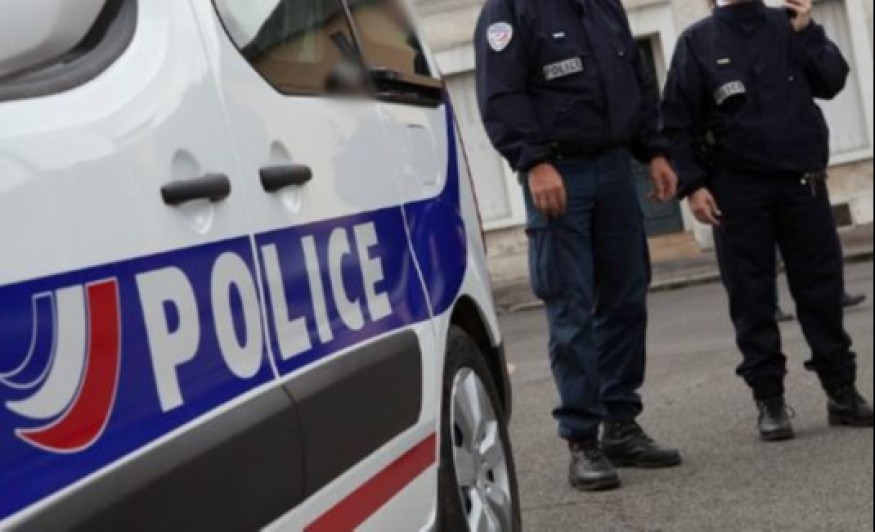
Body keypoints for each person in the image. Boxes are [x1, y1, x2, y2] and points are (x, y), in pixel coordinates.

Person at [475, 0, 682, 492]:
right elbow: (502, 94)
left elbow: (636, 80)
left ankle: (621, 425)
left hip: (615, 168)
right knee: (571, 309)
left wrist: (654, 150)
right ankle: (582, 440)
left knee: (626, 299)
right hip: (558, 173)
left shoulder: (604, 6)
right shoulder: (509, 10)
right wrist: (533, 160)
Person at [662, 0, 873, 442]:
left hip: (802, 183)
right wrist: (693, 186)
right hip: (736, 192)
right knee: (751, 299)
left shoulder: (788, 25)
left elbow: (833, 80)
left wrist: (808, 31)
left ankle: (841, 390)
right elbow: (677, 123)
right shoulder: (697, 42)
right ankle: (770, 400)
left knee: (822, 291)